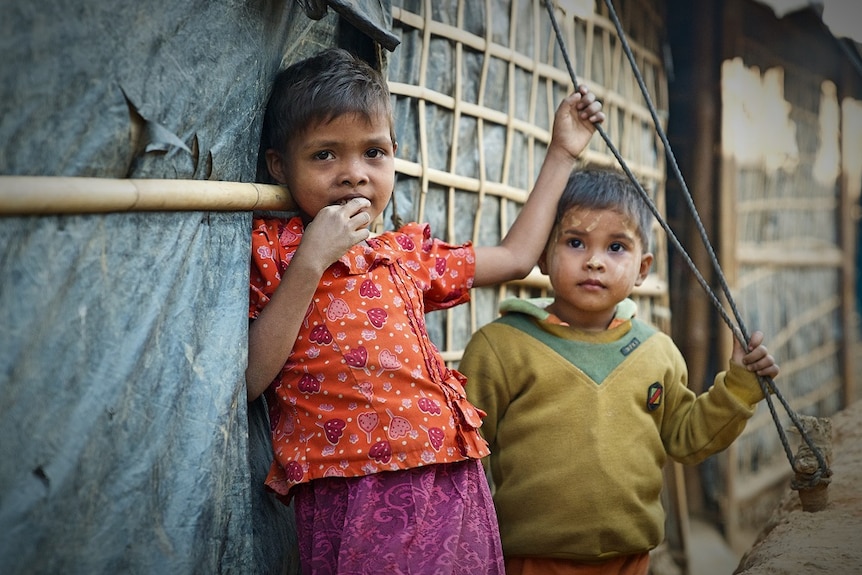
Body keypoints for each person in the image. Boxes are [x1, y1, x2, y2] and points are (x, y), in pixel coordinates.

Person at [246, 47, 605, 574]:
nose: (354, 175)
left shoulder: (402, 253)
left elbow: (515, 257)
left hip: (449, 474)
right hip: (350, 485)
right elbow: (251, 378)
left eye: (374, 153)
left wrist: (563, 152)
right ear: (280, 164)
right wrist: (310, 262)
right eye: (325, 155)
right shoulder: (272, 251)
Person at [459, 166, 781, 575]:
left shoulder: (655, 351)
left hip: (631, 559)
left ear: (643, 269)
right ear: (543, 255)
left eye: (616, 247)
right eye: (575, 242)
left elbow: (686, 438)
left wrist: (739, 386)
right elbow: (465, 456)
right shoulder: (501, 348)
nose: (594, 261)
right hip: (532, 560)